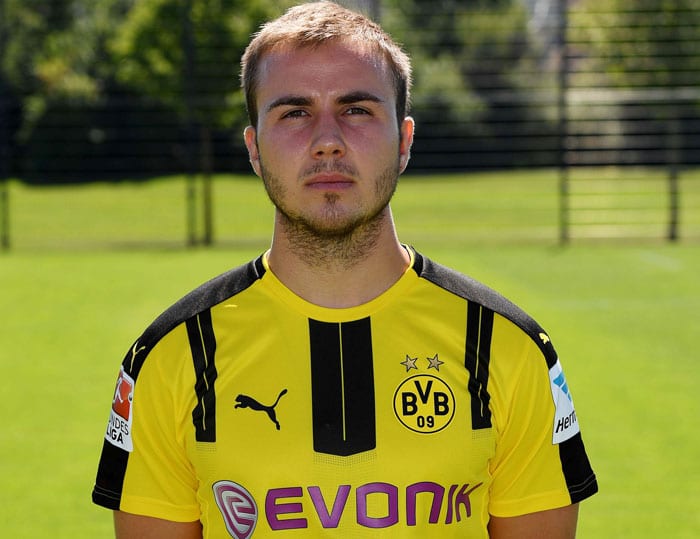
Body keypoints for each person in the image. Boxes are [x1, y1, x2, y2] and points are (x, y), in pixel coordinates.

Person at [92, 2, 598, 537]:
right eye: (294, 112)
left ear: (403, 142)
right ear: (254, 149)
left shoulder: (507, 347)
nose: (327, 139)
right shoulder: (173, 356)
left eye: (356, 110)